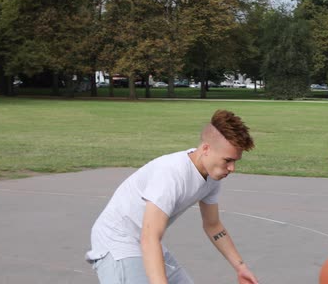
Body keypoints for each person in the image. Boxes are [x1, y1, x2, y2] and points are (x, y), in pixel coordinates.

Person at [86, 109, 259, 284]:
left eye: (235, 161)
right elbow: (150, 237)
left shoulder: (212, 176)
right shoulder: (171, 173)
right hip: (118, 241)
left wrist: (240, 267)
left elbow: (213, 226)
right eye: (227, 160)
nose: (232, 168)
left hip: (146, 241)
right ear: (206, 149)